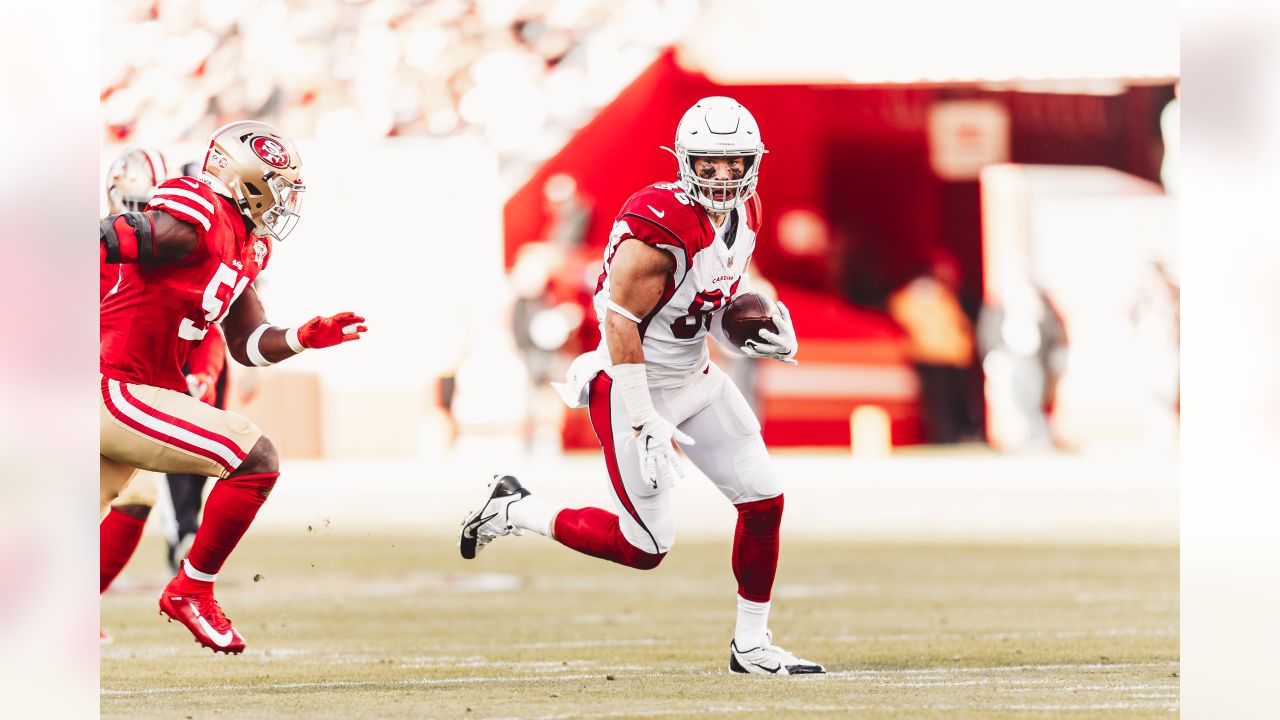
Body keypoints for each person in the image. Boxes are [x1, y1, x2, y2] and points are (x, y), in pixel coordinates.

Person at [460, 97, 825, 675]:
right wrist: (643, 417)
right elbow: (619, 322)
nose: (725, 176)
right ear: (686, 162)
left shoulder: (746, 211)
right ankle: (517, 508)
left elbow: (710, 308)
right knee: (645, 547)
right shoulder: (660, 225)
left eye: (736, 163)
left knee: (763, 500)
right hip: (630, 384)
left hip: (693, 377)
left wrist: (755, 335)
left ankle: (752, 647)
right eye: (710, 164)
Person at [99, 120, 367, 654]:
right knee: (255, 455)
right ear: (247, 177)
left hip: (140, 389)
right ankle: (191, 588)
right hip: (116, 385)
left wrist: (302, 337)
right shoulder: (196, 207)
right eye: (279, 182)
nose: (287, 196)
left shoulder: (247, 243)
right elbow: (134, 234)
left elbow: (247, 342)